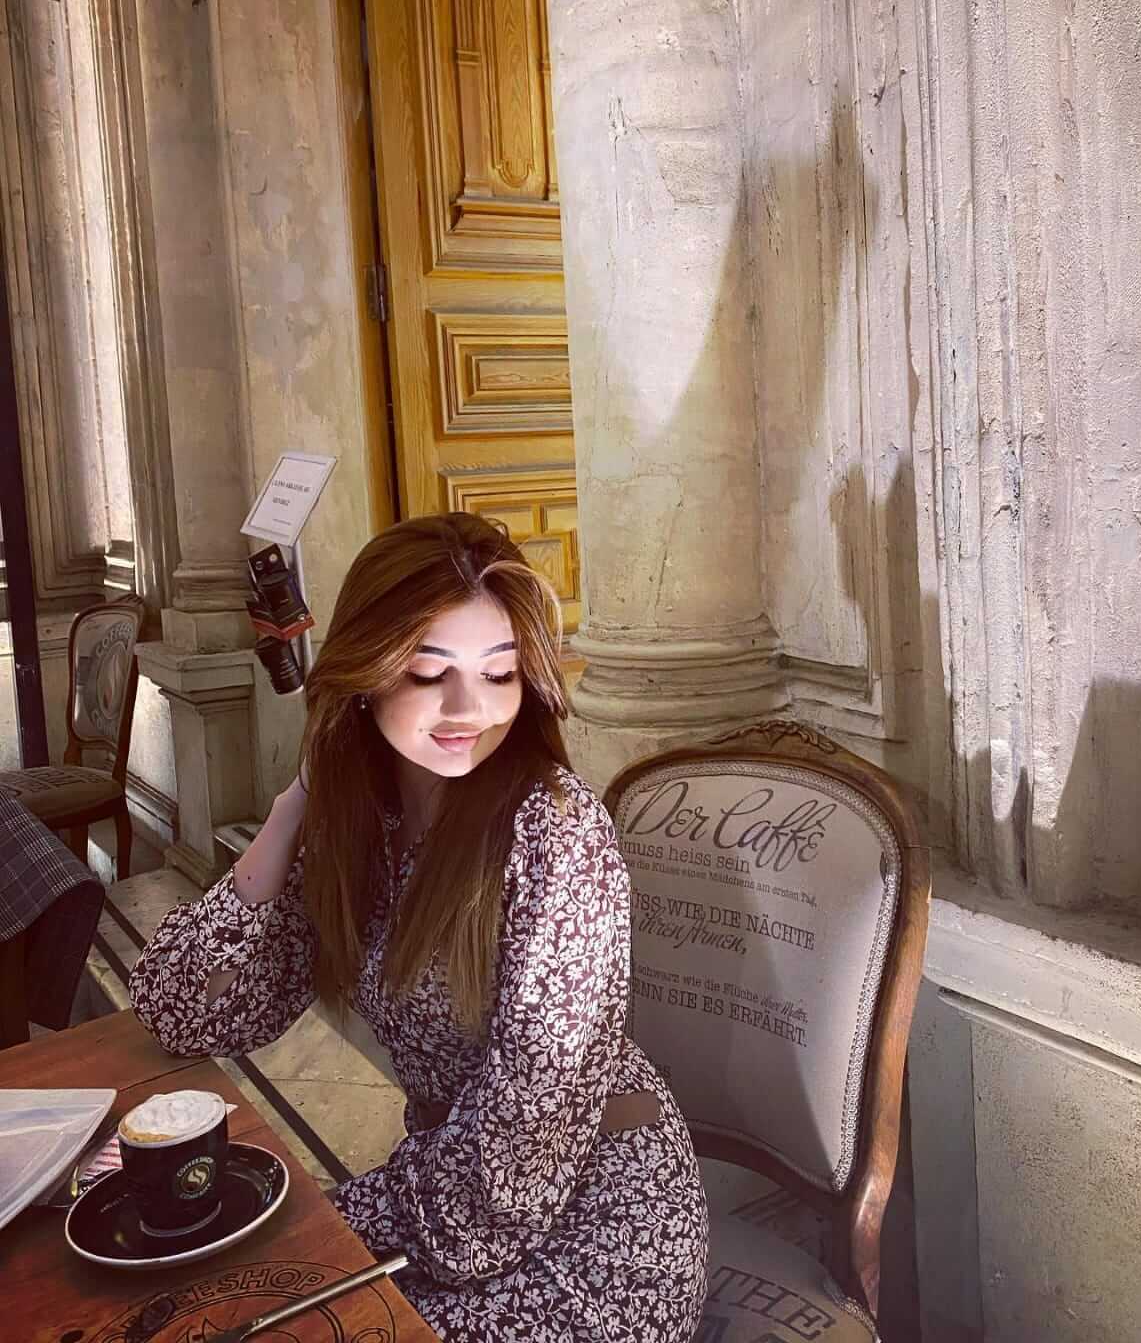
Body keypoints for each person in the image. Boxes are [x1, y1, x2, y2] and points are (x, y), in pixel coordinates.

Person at [129, 513, 709, 1342]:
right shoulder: (361, 820)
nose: (469, 709)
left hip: (597, 1235)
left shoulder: (556, 835)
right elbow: (185, 1012)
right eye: (430, 673)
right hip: (454, 1204)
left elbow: (511, 1173)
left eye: (500, 673)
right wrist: (296, 804)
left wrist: (316, 1228)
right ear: (364, 674)